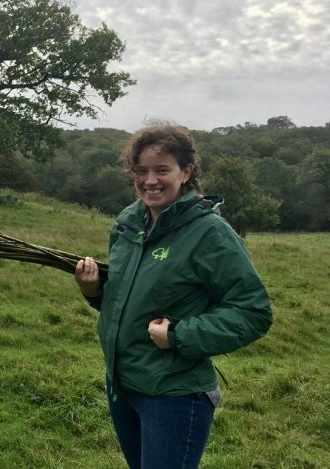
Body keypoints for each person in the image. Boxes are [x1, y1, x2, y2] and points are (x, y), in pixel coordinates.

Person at [74, 124, 273, 469]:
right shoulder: (129, 224)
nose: (150, 180)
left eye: (162, 169)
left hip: (174, 395)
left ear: (187, 172)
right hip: (123, 386)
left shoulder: (210, 233)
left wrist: (179, 335)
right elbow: (130, 298)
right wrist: (95, 292)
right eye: (141, 171)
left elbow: (253, 312)